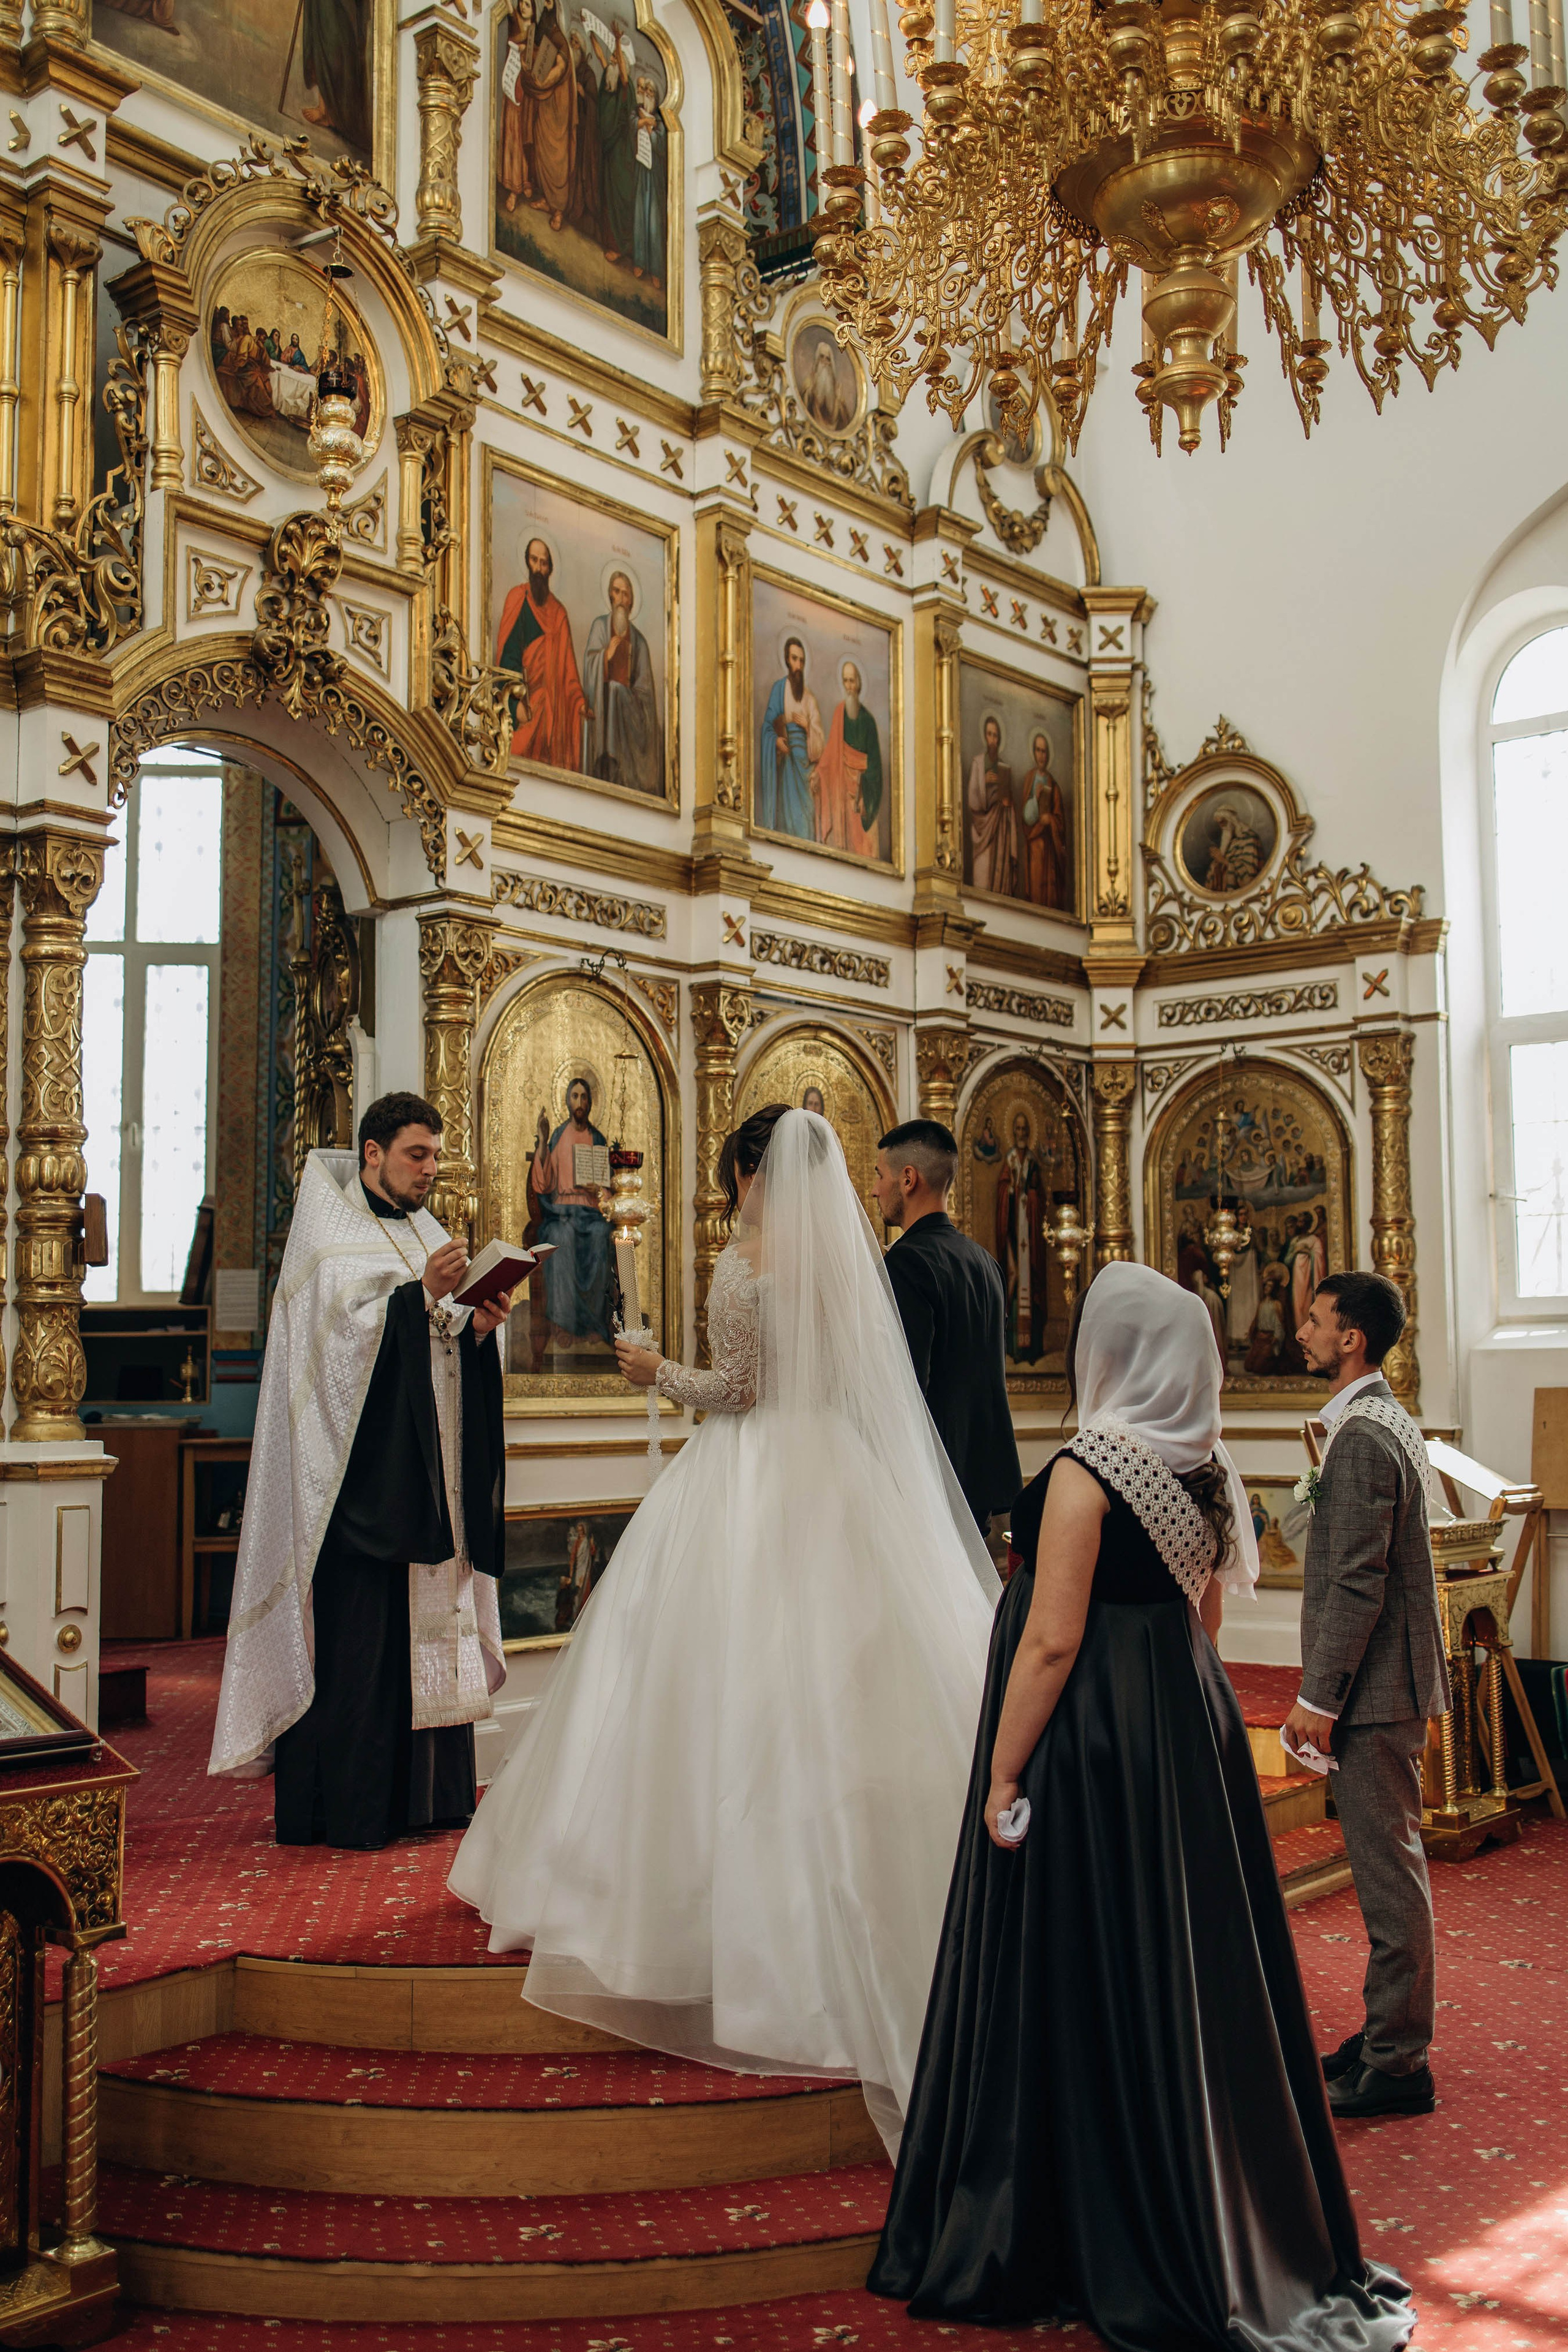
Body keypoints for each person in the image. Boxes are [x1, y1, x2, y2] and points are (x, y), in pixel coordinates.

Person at [871, 1263, 1415, 2352]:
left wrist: (1002, 1771)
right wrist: (1183, 1720)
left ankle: (1079, 2220)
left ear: (1111, 1352)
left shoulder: (1085, 1473)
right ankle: (1213, 2194)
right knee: (1191, 1970)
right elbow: (1202, 1618)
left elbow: (1053, 1637)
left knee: (1087, 1963)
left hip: (1093, 1740)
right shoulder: (1205, 1465)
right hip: (1181, 1727)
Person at [449, 1107, 1000, 2156]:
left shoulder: (746, 1259)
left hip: (749, 1476)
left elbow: (738, 1394)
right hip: (841, 1476)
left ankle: (690, 1927)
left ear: (750, 1171)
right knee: (844, 1686)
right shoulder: (850, 1266)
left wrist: (655, 1373)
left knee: (703, 1692)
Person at [208, 1095, 510, 1849]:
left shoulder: (428, 1232)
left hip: (428, 1479)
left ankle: (428, 1801)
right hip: (356, 1487)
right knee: (362, 1642)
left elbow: (436, 1344)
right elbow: (339, 1345)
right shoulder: (326, 1237)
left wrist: (474, 1327)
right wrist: (424, 1301)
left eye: (436, 1156)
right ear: (372, 1152)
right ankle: (351, 1808)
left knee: (425, 1631)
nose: (430, 1170)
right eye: (417, 1155)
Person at [1287, 1271, 1450, 2119]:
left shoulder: (1359, 1438)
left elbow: (1356, 1583)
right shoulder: (1376, 1420)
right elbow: (1326, 1541)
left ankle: (1398, 2062)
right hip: (1388, 1682)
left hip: (1375, 1691)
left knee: (1389, 1875)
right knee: (1388, 1866)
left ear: (1352, 1338)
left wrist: (1319, 1697)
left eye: (1316, 1320)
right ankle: (1387, 2031)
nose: (1303, 1329)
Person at [872, 1118, 1021, 1537]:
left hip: (932, 1481)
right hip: (979, 1476)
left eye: (879, 1175)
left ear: (908, 1178)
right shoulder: (985, 1261)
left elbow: (906, 1388)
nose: (874, 1189)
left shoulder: (906, 1263)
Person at [526, 1078, 614, 1366]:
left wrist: (598, 1191)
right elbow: (543, 1181)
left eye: (584, 1098)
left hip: (591, 1214)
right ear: (567, 1100)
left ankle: (592, 1326)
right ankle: (562, 1325)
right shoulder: (559, 1136)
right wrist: (542, 1139)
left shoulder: (598, 1139)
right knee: (560, 1238)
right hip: (561, 1212)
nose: (580, 1103)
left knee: (603, 1236)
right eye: (575, 1097)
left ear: (590, 1103)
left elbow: (609, 1193)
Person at [496, 536, 588, 769]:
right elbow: (507, 659)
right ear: (527, 562)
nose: (538, 568)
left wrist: (579, 702)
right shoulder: (517, 599)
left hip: (554, 713)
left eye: (544, 563)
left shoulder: (559, 614)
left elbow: (569, 672)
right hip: (526, 707)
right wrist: (516, 707)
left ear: (550, 569)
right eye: (534, 560)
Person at [582, 568, 662, 794]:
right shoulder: (599, 626)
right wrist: (605, 657)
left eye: (626, 594)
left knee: (617, 690)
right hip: (601, 707)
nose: (621, 599)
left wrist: (625, 694)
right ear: (610, 596)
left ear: (631, 601)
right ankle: (605, 763)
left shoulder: (640, 642)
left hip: (629, 714)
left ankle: (617, 764)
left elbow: (646, 694)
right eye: (617, 592)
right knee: (613, 690)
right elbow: (588, 669)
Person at [512, 0, 576, 230]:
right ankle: (548, 201)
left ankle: (558, 210)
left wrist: (543, 82)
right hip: (542, 102)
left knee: (556, 156)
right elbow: (534, 61)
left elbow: (559, 68)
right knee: (540, 149)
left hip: (557, 108)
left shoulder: (558, 38)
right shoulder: (539, 35)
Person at [994, 1109, 1050, 1364]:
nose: (1021, 1134)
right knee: (1014, 1279)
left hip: (1030, 1231)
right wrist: (1012, 1193)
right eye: (1017, 1130)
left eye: (1024, 1130)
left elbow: (1040, 1195)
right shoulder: (1009, 1161)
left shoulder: (1033, 1162)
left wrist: (1031, 1199)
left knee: (1031, 1281)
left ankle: (1032, 1349)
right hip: (1013, 1234)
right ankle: (1015, 1348)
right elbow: (1003, 1191)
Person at [812, 660, 883, 856]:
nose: (849, 687)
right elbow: (831, 752)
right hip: (842, 789)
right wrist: (819, 773)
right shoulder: (839, 712)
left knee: (864, 848)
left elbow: (875, 766)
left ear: (859, 683)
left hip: (861, 791)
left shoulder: (868, 721)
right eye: (846, 681)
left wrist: (865, 795)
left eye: (852, 681)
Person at [758, 636, 824, 838]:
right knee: (788, 821)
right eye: (794, 659)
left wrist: (808, 728)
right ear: (787, 660)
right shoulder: (779, 690)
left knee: (806, 823)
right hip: (788, 766)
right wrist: (776, 741)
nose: (798, 665)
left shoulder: (810, 698)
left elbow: (820, 744)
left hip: (805, 768)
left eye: (802, 661)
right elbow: (768, 726)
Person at [966, 714, 1020, 896]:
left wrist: (1008, 804)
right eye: (990, 734)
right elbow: (972, 799)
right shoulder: (978, 764)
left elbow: (1009, 804)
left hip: (1001, 833)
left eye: (996, 735)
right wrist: (984, 780)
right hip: (983, 828)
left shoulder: (1003, 766)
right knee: (983, 872)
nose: (993, 740)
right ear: (985, 736)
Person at [1020, 730, 1069, 908]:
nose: (1041, 755)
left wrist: (1051, 820)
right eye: (1038, 750)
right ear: (1034, 753)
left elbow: (1061, 822)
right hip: (1034, 845)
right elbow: (1026, 818)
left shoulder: (1054, 785)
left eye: (1044, 751)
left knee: (1048, 891)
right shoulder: (1028, 779)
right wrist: (1035, 798)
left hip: (1049, 847)